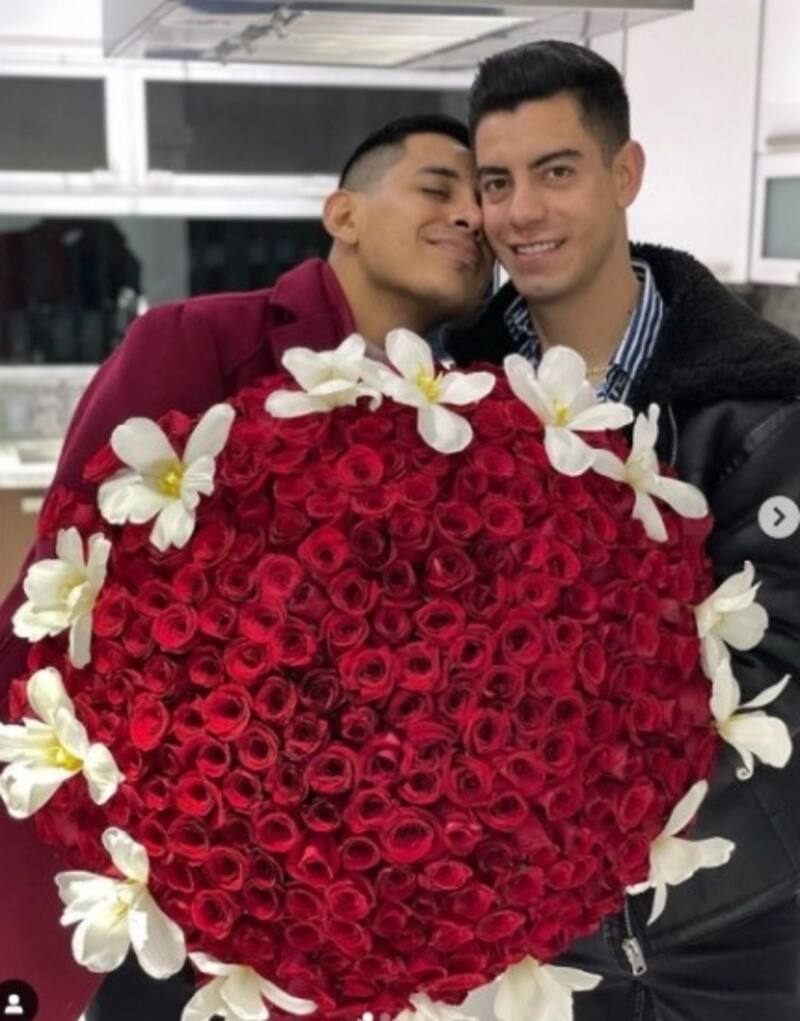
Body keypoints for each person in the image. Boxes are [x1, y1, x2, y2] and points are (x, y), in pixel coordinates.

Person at [0, 112, 491, 1021]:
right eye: (438, 188)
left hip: (329, 888)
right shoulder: (199, 339)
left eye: (482, 202)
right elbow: (62, 585)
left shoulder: (461, 410)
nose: (470, 215)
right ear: (343, 214)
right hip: (160, 865)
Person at [445, 39, 800, 1021]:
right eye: (497, 183)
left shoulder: (760, 406)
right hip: (521, 949)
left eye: (556, 172)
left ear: (623, 173)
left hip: (726, 937)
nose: (522, 212)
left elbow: (782, 683)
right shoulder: (446, 397)